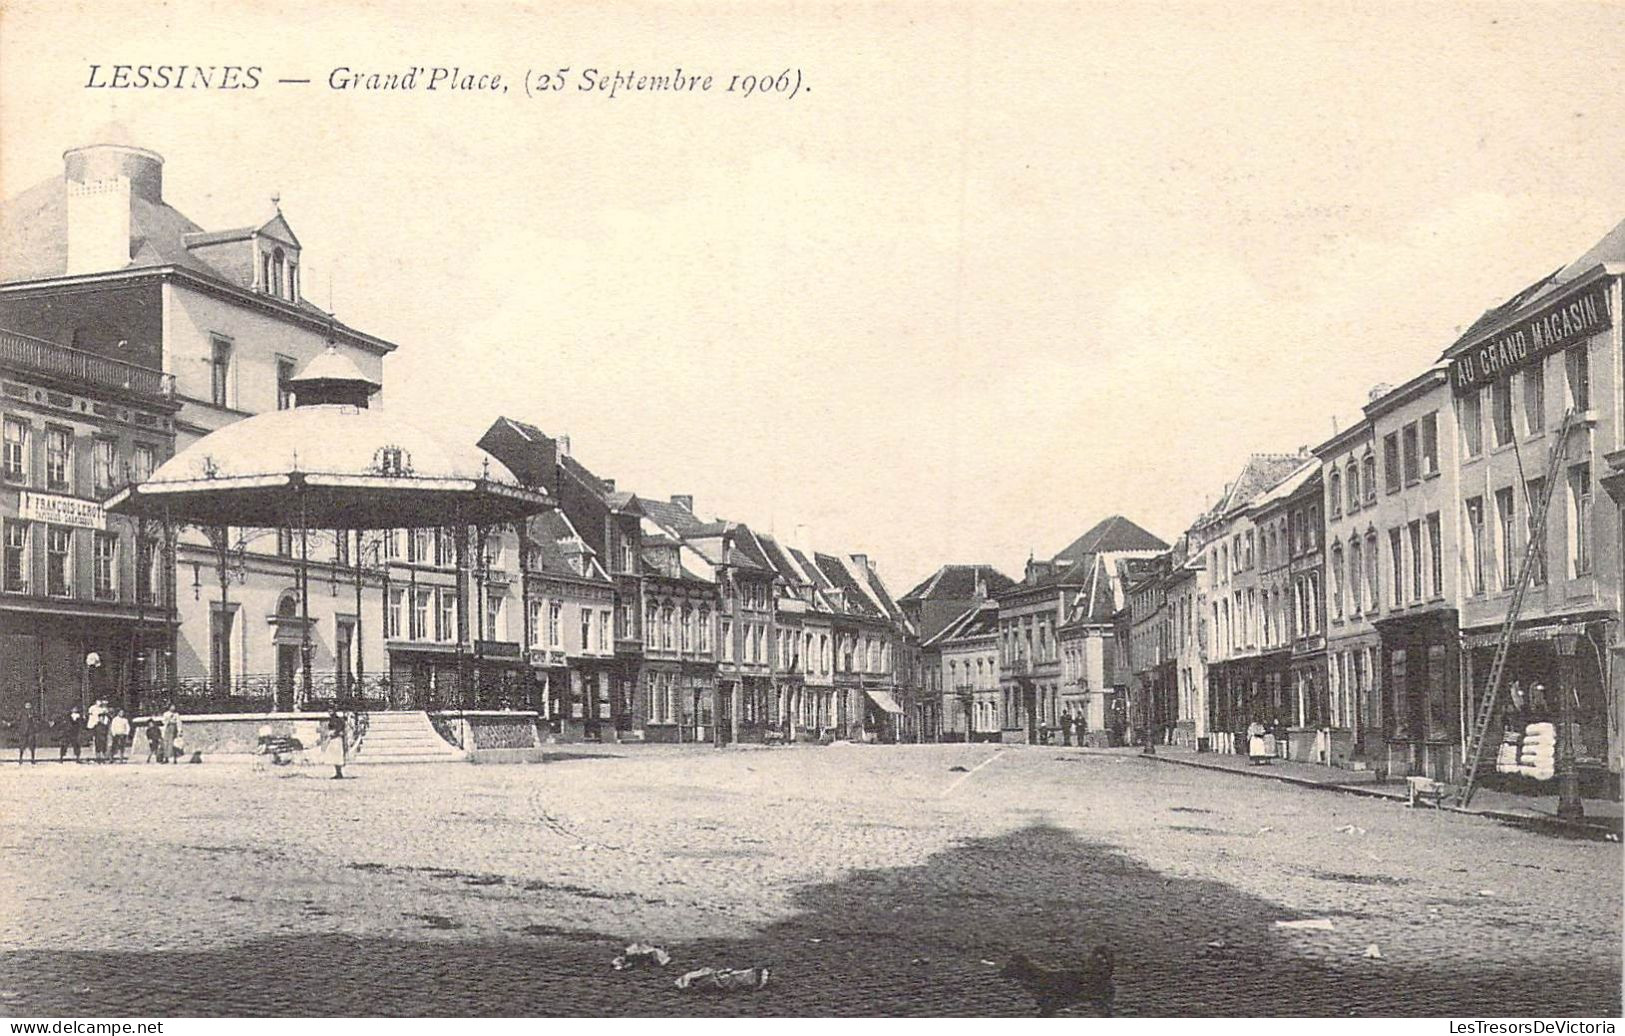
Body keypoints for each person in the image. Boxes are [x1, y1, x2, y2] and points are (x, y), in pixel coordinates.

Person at [321, 710, 348, 779]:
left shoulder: (338, 720)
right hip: (333, 739)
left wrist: (335, 732)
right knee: (334, 756)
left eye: (331, 711)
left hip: (337, 739)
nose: (330, 712)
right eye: (329, 711)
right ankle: (337, 772)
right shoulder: (331, 720)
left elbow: (341, 729)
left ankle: (339, 773)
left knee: (337, 756)